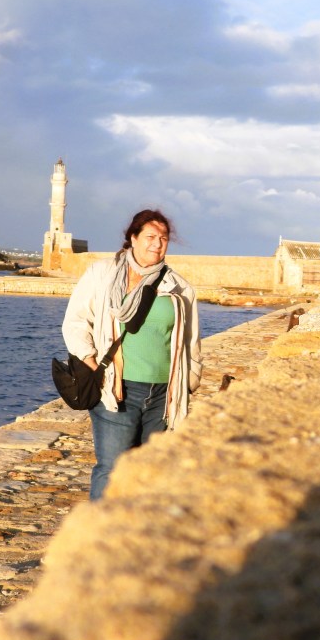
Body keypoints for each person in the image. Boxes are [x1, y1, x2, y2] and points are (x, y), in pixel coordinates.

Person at [61, 209, 202, 500]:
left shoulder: (178, 286)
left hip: (165, 394)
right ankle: (99, 535)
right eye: (150, 236)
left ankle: (137, 534)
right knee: (112, 468)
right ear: (133, 239)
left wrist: (191, 380)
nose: (157, 244)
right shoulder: (103, 274)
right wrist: (90, 363)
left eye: (163, 238)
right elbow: (75, 322)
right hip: (117, 389)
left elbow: (190, 340)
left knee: (152, 471)